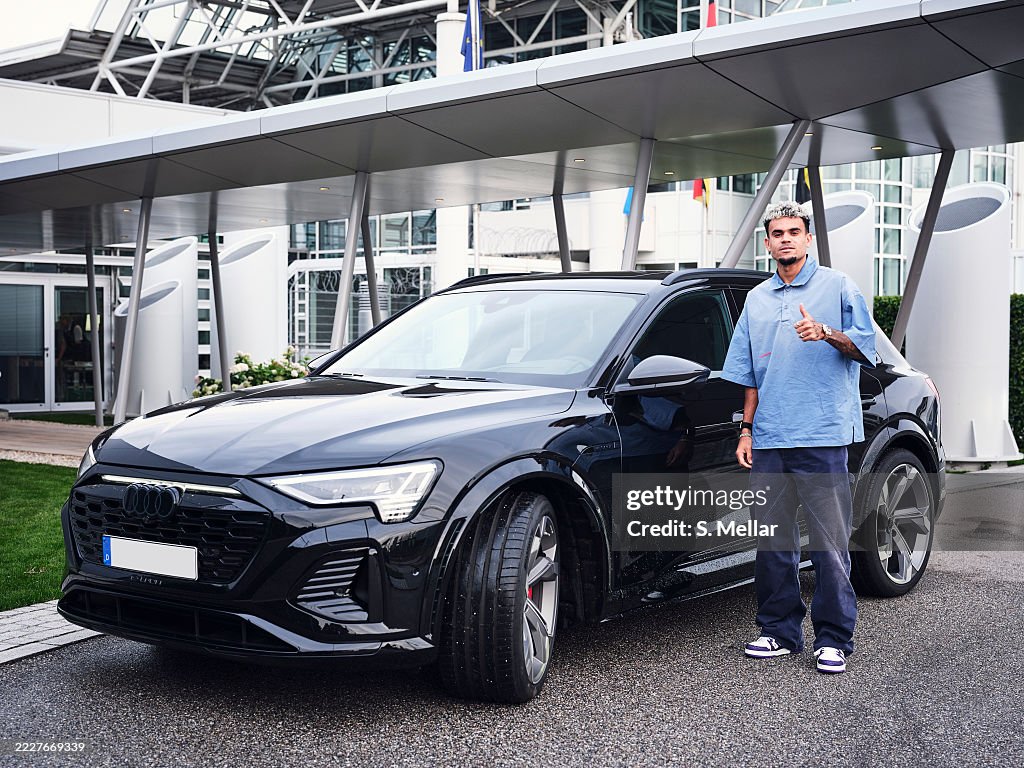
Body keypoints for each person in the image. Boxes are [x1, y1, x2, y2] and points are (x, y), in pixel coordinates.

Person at [721, 201, 876, 674]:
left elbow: (864, 349)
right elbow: (750, 373)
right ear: (767, 243)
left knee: (828, 544)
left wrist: (826, 331)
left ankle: (833, 638)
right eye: (777, 233)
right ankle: (778, 631)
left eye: (794, 231)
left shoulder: (838, 286)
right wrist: (746, 430)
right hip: (769, 437)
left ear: (808, 239)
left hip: (823, 433)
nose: (785, 239)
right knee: (772, 543)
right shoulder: (757, 299)